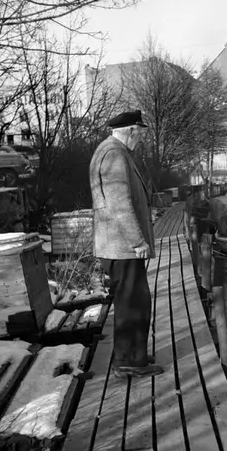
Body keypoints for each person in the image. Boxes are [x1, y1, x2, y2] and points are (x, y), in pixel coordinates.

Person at [89, 109, 163, 379]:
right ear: (131, 130)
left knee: (131, 302)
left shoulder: (112, 151)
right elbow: (119, 205)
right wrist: (137, 241)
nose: (141, 138)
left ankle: (131, 355)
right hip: (122, 246)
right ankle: (130, 361)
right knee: (133, 304)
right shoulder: (114, 154)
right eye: (140, 133)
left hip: (118, 246)